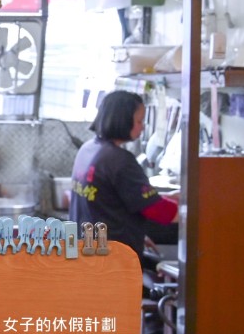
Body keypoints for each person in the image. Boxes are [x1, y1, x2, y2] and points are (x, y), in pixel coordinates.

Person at [69, 90, 179, 266]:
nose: (142, 126)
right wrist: (196, 213)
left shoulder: (89, 149)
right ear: (122, 120)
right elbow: (158, 211)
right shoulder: (120, 160)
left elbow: (109, 201)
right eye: (139, 121)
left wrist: (136, 234)